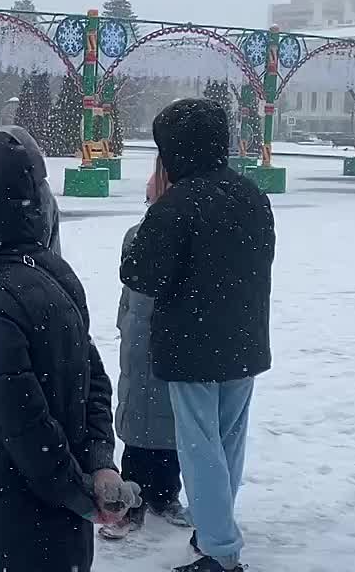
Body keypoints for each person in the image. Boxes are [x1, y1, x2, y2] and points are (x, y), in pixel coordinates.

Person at [0, 127, 139, 572]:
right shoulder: (55, 275)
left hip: (5, 526)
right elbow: (93, 381)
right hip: (56, 532)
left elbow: (24, 425)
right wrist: (99, 463)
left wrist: (83, 499)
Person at [120, 99, 275, 572]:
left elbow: (139, 274)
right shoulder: (251, 194)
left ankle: (220, 550)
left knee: (200, 446)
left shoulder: (176, 204)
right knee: (229, 442)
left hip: (190, 346)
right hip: (244, 337)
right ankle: (216, 531)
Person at [100, 157, 190, 541]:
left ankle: (165, 494)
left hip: (172, 338)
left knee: (170, 421)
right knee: (138, 420)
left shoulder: (185, 231)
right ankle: (132, 500)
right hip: (141, 338)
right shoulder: (138, 235)